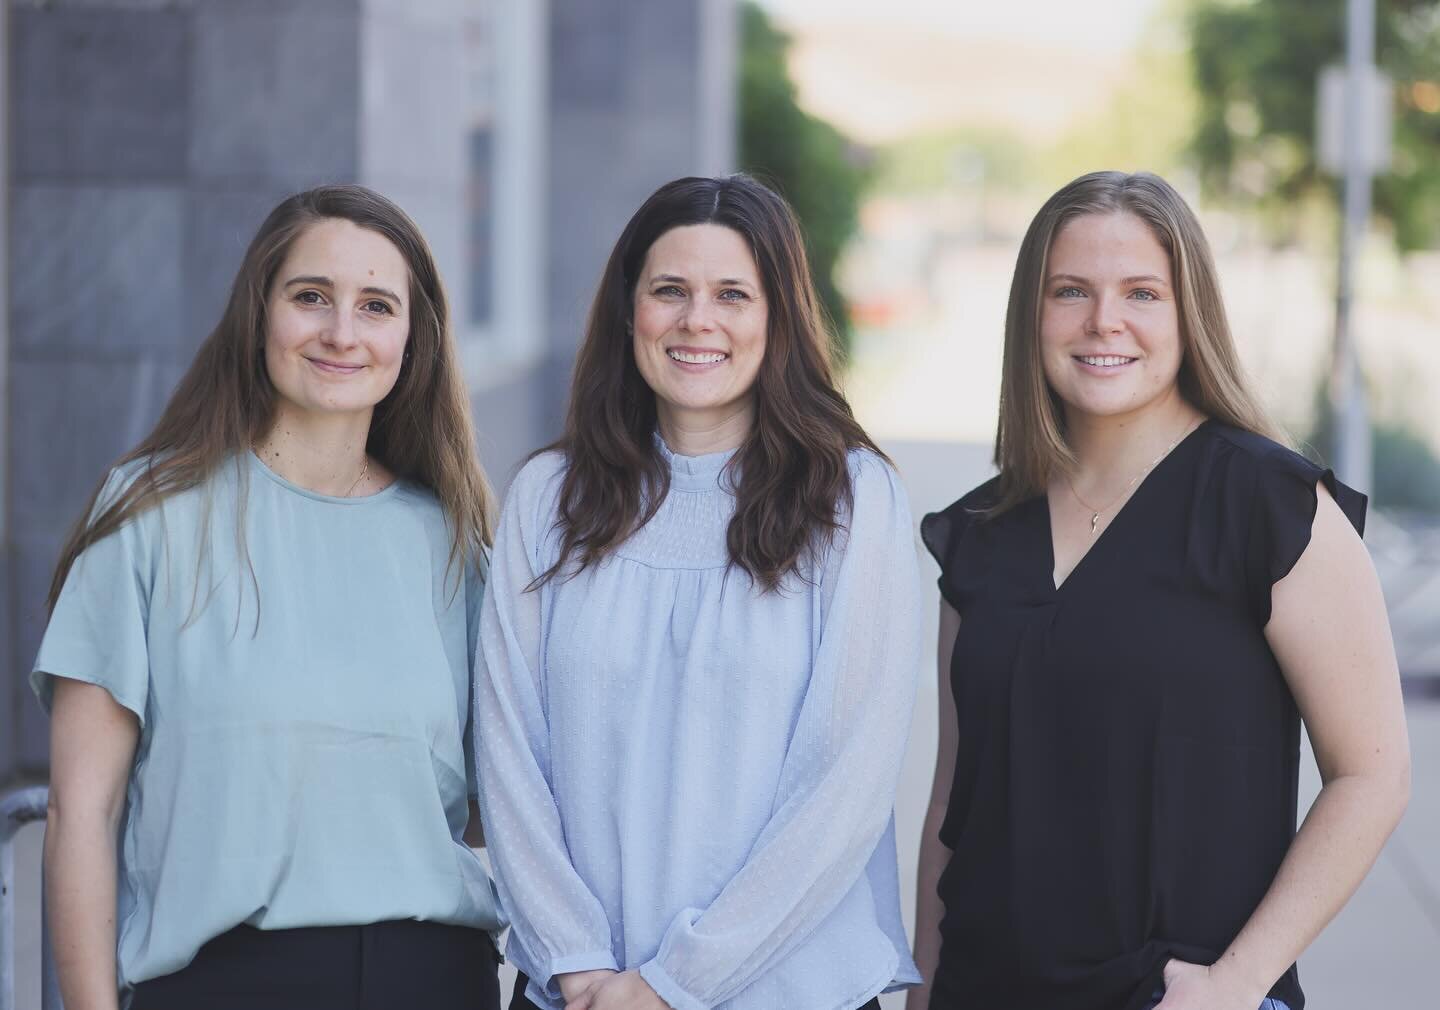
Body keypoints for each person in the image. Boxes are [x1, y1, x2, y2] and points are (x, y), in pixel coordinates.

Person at [908, 170, 1410, 1010]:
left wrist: (1236, 984)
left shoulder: (1270, 507)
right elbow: (953, 803)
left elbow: (1373, 776)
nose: (1104, 320)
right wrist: (924, 988)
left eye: (1142, 292)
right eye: (1071, 291)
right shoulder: (981, 535)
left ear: (1191, 314)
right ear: (1031, 313)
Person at [35, 185, 505, 1010]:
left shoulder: (455, 541)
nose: (341, 333)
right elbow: (83, 811)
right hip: (223, 982)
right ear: (260, 312)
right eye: (311, 297)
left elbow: (488, 808)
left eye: (376, 306)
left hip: (432, 979)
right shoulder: (149, 516)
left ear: (412, 337)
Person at [475, 174, 923, 1010]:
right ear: (628, 310)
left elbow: (844, 782)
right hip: (580, 995)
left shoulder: (852, 501)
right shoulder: (548, 496)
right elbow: (509, 758)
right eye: (669, 291)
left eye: (732, 295)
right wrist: (580, 967)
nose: (697, 321)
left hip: (788, 995)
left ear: (777, 317)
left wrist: (674, 983)